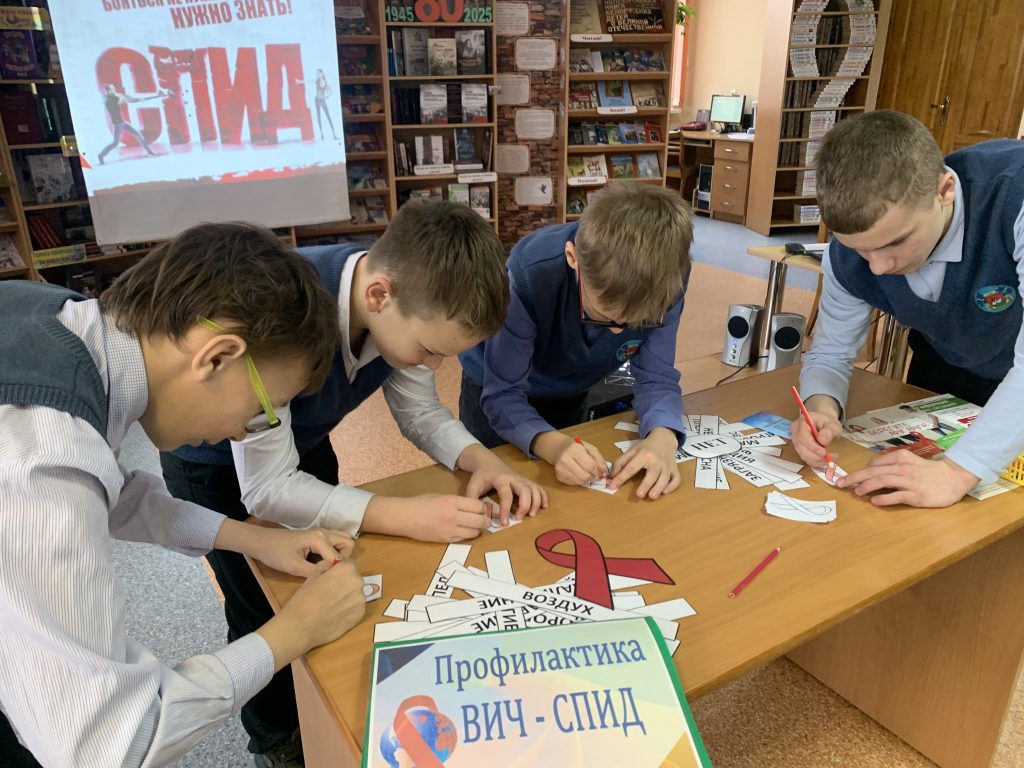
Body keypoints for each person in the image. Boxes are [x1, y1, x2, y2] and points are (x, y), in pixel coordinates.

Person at [160, 199, 547, 765]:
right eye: (430, 351)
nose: (434, 366)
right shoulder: (285, 314)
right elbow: (265, 489)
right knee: (264, 608)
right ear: (378, 296)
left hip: (302, 444)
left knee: (330, 592)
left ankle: (324, 719)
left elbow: (419, 410)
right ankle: (275, 740)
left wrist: (477, 458)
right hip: (213, 461)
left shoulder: (403, 302)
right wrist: (402, 514)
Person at [0, 222, 367, 767]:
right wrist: (291, 633)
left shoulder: (58, 317)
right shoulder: (44, 458)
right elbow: (106, 746)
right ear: (217, 356)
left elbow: (115, 493)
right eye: (261, 409)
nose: (242, 433)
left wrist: (256, 541)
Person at [790, 110, 1024, 508]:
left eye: (895, 242)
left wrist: (958, 472)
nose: (879, 268)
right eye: (861, 250)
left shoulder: (1013, 195)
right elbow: (830, 353)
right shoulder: (848, 257)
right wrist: (821, 406)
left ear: (945, 190)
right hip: (948, 364)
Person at [458, 182, 694, 500]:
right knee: (496, 494)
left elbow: (657, 377)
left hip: (572, 384)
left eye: (640, 322)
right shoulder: (529, 276)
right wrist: (553, 446)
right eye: (602, 317)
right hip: (494, 389)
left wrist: (663, 437)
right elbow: (502, 395)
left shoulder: (667, 280)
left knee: (570, 491)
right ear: (573, 259)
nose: (617, 334)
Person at [97, 83, 170, 164]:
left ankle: (149, 152)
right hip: (118, 125)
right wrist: (143, 99)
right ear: (108, 91)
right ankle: (101, 155)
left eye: (114, 89)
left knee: (137, 134)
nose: (114, 90)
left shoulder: (110, 97)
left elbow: (127, 97)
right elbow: (129, 99)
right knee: (115, 143)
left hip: (122, 123)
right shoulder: (111, 99)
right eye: (112, 89)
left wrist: (154, 97)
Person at [313, 68, 337, 141]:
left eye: (318, 73)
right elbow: (308, 81)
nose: (317, 74)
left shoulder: (325, 83)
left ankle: (334, 134)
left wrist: (327, 96)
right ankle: (322, 134)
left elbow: (331, 92)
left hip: (322, 101)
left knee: (328, 116)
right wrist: (300, 81)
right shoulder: (317, 81)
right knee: (318, 117)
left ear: (322, 74)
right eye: (317, 73)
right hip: (317, 100)